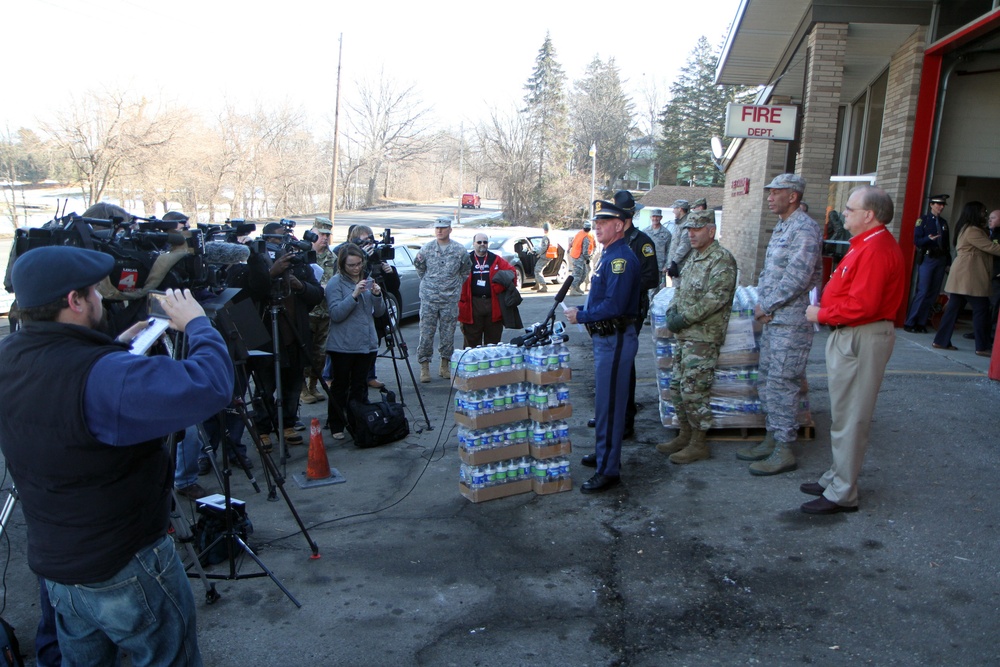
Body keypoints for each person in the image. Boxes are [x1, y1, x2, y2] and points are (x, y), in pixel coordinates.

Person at [0, 246, 234, 665]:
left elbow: (59, 392)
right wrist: (197, 322)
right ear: (74, 300)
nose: (100, 300)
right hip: (125, 565)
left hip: (58, 568)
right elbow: (211, 385)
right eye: (93, 292)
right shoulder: (103, 376)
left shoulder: (10, 358)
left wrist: (111, 351)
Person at [804, 185, 905, 514]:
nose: (843, 213)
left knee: (852, 417)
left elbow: (863, 305)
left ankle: (842, 491)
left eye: (849, 208)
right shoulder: (866, 245)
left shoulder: (875, 250)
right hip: (853, 335)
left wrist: (821, 314)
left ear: (869, 215)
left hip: (861, 335)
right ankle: (837, 477)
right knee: (844, 413)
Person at [737, 174, 823, 475]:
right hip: (774, 318)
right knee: (768, 380)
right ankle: (772, 437)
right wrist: (763, 304)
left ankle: (785, 448)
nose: (770, 197)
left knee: (784, 384)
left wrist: (768, 305)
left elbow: (797, 278)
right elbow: (769, 273)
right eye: (769, 192)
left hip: (792, 321)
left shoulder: (806, 229)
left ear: (793, 196)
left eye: (776, 192)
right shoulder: (783, 227)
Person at [564, 198, 640, 493]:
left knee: (610, 404)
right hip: (606, 338)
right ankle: (603, 453)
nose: (596, 227)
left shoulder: (620, 259)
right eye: (595, 223)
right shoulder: (608, 255)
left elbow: (615, 305)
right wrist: (583, 310)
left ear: (619, 226)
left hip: (616, 338)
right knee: (604, 403)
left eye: (603, 223)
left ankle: (609, 469)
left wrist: (581, 315)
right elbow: (602, 299)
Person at [655, 210, 737, 464]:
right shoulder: (694, 258)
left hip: (703, 336)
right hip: (685, 335)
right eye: (689, 229)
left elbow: (716, 298)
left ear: (710, 231)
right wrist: (672, 310)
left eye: (697, 229)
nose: (691, 233)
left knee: (694, 390)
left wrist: (685, 318)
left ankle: (699, 443)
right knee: (677, 387)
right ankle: (685, 434)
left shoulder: (721, 259)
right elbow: (680, 289)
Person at [325, 243, 387, 439]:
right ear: (342, 265)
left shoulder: (367, 279)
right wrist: (354, 295)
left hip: (366, 344)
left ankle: (358, 421)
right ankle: (336, 424)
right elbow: (336, 314)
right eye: (351, 265)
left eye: (359, 264)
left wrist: (377, 295)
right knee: (341, 385)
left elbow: (379, 312)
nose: (356, 268)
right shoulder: (336, 283)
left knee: (360, 386)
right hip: (343, 345)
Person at [930, 201, 1000, 356]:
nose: (985, 214)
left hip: (963, 276)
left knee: (952, 311)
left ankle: (941, 341)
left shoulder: (966, 228)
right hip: (970, 277)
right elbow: (991, 248)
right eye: (983, 211)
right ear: (975, 212)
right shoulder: (973, 230)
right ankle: (982, 346)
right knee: (981, 310)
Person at [414, 217, 472, 382]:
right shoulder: (426, 249)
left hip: (449, 299)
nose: (439, 231)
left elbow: (465, 270)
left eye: (443, 228)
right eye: (437, 228)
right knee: (426, 334)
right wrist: (430, 285)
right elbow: (419, 268)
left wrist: (455, 284)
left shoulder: (459, 250)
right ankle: (424, 366)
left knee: (447, 334)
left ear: (450, 229)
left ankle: (444, 365)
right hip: (429, 299)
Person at [458, 232, 516, 347]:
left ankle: (491, 364)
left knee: (493, 341)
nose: (482, 244)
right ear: (474, 244)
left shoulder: (495, 259)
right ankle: (472, 364)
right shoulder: (465, 260)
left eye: (485, 242)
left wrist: (498, 288)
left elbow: (512, 273)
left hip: (492, 304)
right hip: (472, 304)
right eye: (479, 242)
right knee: (471, 342)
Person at [904, 194, 951, 333]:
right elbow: (917, 241)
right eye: (938, 204)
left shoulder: (943, 223)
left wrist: (948, 262)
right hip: (928, 258)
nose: (941, 207)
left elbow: (946, 245)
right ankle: (910, 322)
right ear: (931, 205)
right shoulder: (923, 220)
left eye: (942, 205)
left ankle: (921, 322)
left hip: (940, 260)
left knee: (933, 292)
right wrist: (928, 239)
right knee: (922, 291)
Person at [302, 216, 336, 404]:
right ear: (312, 233)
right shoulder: (302, 255)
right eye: (321, 234)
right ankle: (303, 388)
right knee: (303, 352)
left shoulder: (333, 258)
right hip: (306, 312)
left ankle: (314, 385)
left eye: (327, 235)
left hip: (324, 312)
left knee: (321, 353)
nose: (324, 238)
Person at [644, 208, 672, 294]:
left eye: (657, 217)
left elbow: (669, 251)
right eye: (653, 216)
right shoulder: (645, 232)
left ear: (661, 218)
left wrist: (667, 265)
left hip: (660, 267)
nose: (655, 218)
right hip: (648, 267)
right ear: (650, 217)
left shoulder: (666, 233)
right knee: (648, 291)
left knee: (660, 292)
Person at [666, 199, 693, 282]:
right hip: (675, 266)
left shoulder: (687, 224)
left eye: (674, 208)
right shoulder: (679, 224)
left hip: (681, 267)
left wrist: (674, 262)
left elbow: (684, 245)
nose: (673, 211)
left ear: (680, 209)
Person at [569, 221, 596, 296]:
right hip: (578, 257)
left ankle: (577, 287)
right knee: (577, 274)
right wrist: (588, 258)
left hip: (578, 256)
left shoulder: (581, 234)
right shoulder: (586, 237)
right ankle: (573, 289)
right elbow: (585, 252)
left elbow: (572, 243)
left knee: (584, 273)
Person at [533, 222, 553, 292]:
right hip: (549, 256)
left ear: (544, 229)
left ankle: (543, 286)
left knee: (537, 270)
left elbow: (544, 247)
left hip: (545, 256)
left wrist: (538, 252)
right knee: (537, 268)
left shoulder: (546, 237)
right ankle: (537, 284)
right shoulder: (551, 236)